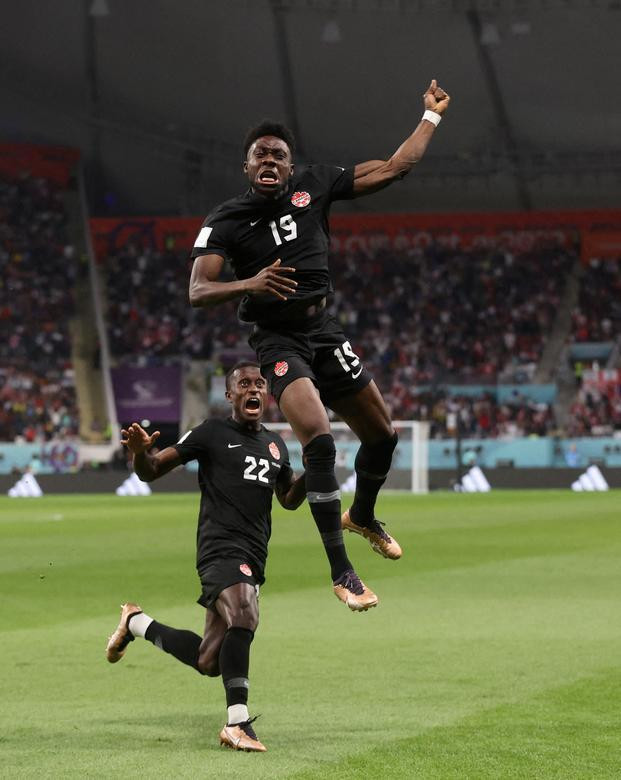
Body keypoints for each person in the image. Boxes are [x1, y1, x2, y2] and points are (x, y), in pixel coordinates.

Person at [189, 79, 451, 611]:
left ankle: (363, 514)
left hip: (323, 329)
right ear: (246, 168)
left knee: (383, 437)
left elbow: (395, 167)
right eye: (259, 154)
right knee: (321, 441)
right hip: (277, 337)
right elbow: (198, 290)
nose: (269, 159)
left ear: (290, 167)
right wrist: (249, 283)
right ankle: (342, 572)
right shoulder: (226, 220)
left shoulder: (317, 184)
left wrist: (431, 118)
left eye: (279, 154)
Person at [105, 361, 306, 753]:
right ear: (230, 395)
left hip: (254, 552)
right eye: (244, 384)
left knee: (209, 661)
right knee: (245, 614)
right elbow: (152, 471)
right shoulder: (212, 433)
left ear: (267, 395)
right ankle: (237, 723)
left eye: (259, 384)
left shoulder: (275, 445)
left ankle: (136, 622)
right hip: (219, 547)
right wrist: (141, 455)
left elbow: (288, 499)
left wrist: (312, 472)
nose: (253, 389)